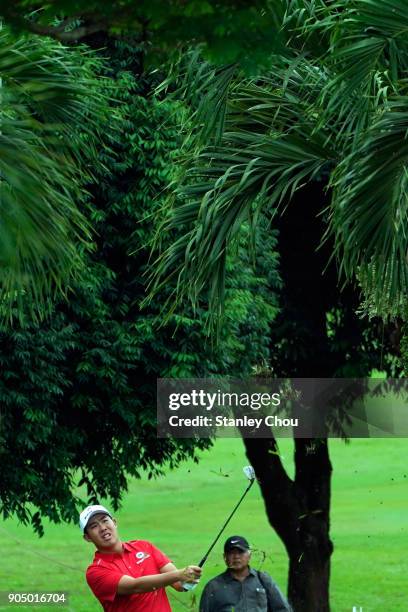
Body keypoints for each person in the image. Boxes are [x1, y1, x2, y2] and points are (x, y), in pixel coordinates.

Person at [80, 504, 201, 611]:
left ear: (114, 522)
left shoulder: (144, 546)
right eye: (94, 526)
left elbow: (179, 585)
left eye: (105, 520)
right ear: (88, 538)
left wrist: (191, 579)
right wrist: (180, 574)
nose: (103, 528)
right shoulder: (96, 572)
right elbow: (135, 586)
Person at [199, 535, 290, 612]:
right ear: (225, 557)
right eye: (231, 553)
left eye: (240, 552)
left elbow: (282, 609)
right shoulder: (213, 587)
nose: (236, 557)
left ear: (249, 555)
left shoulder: (263, 580)